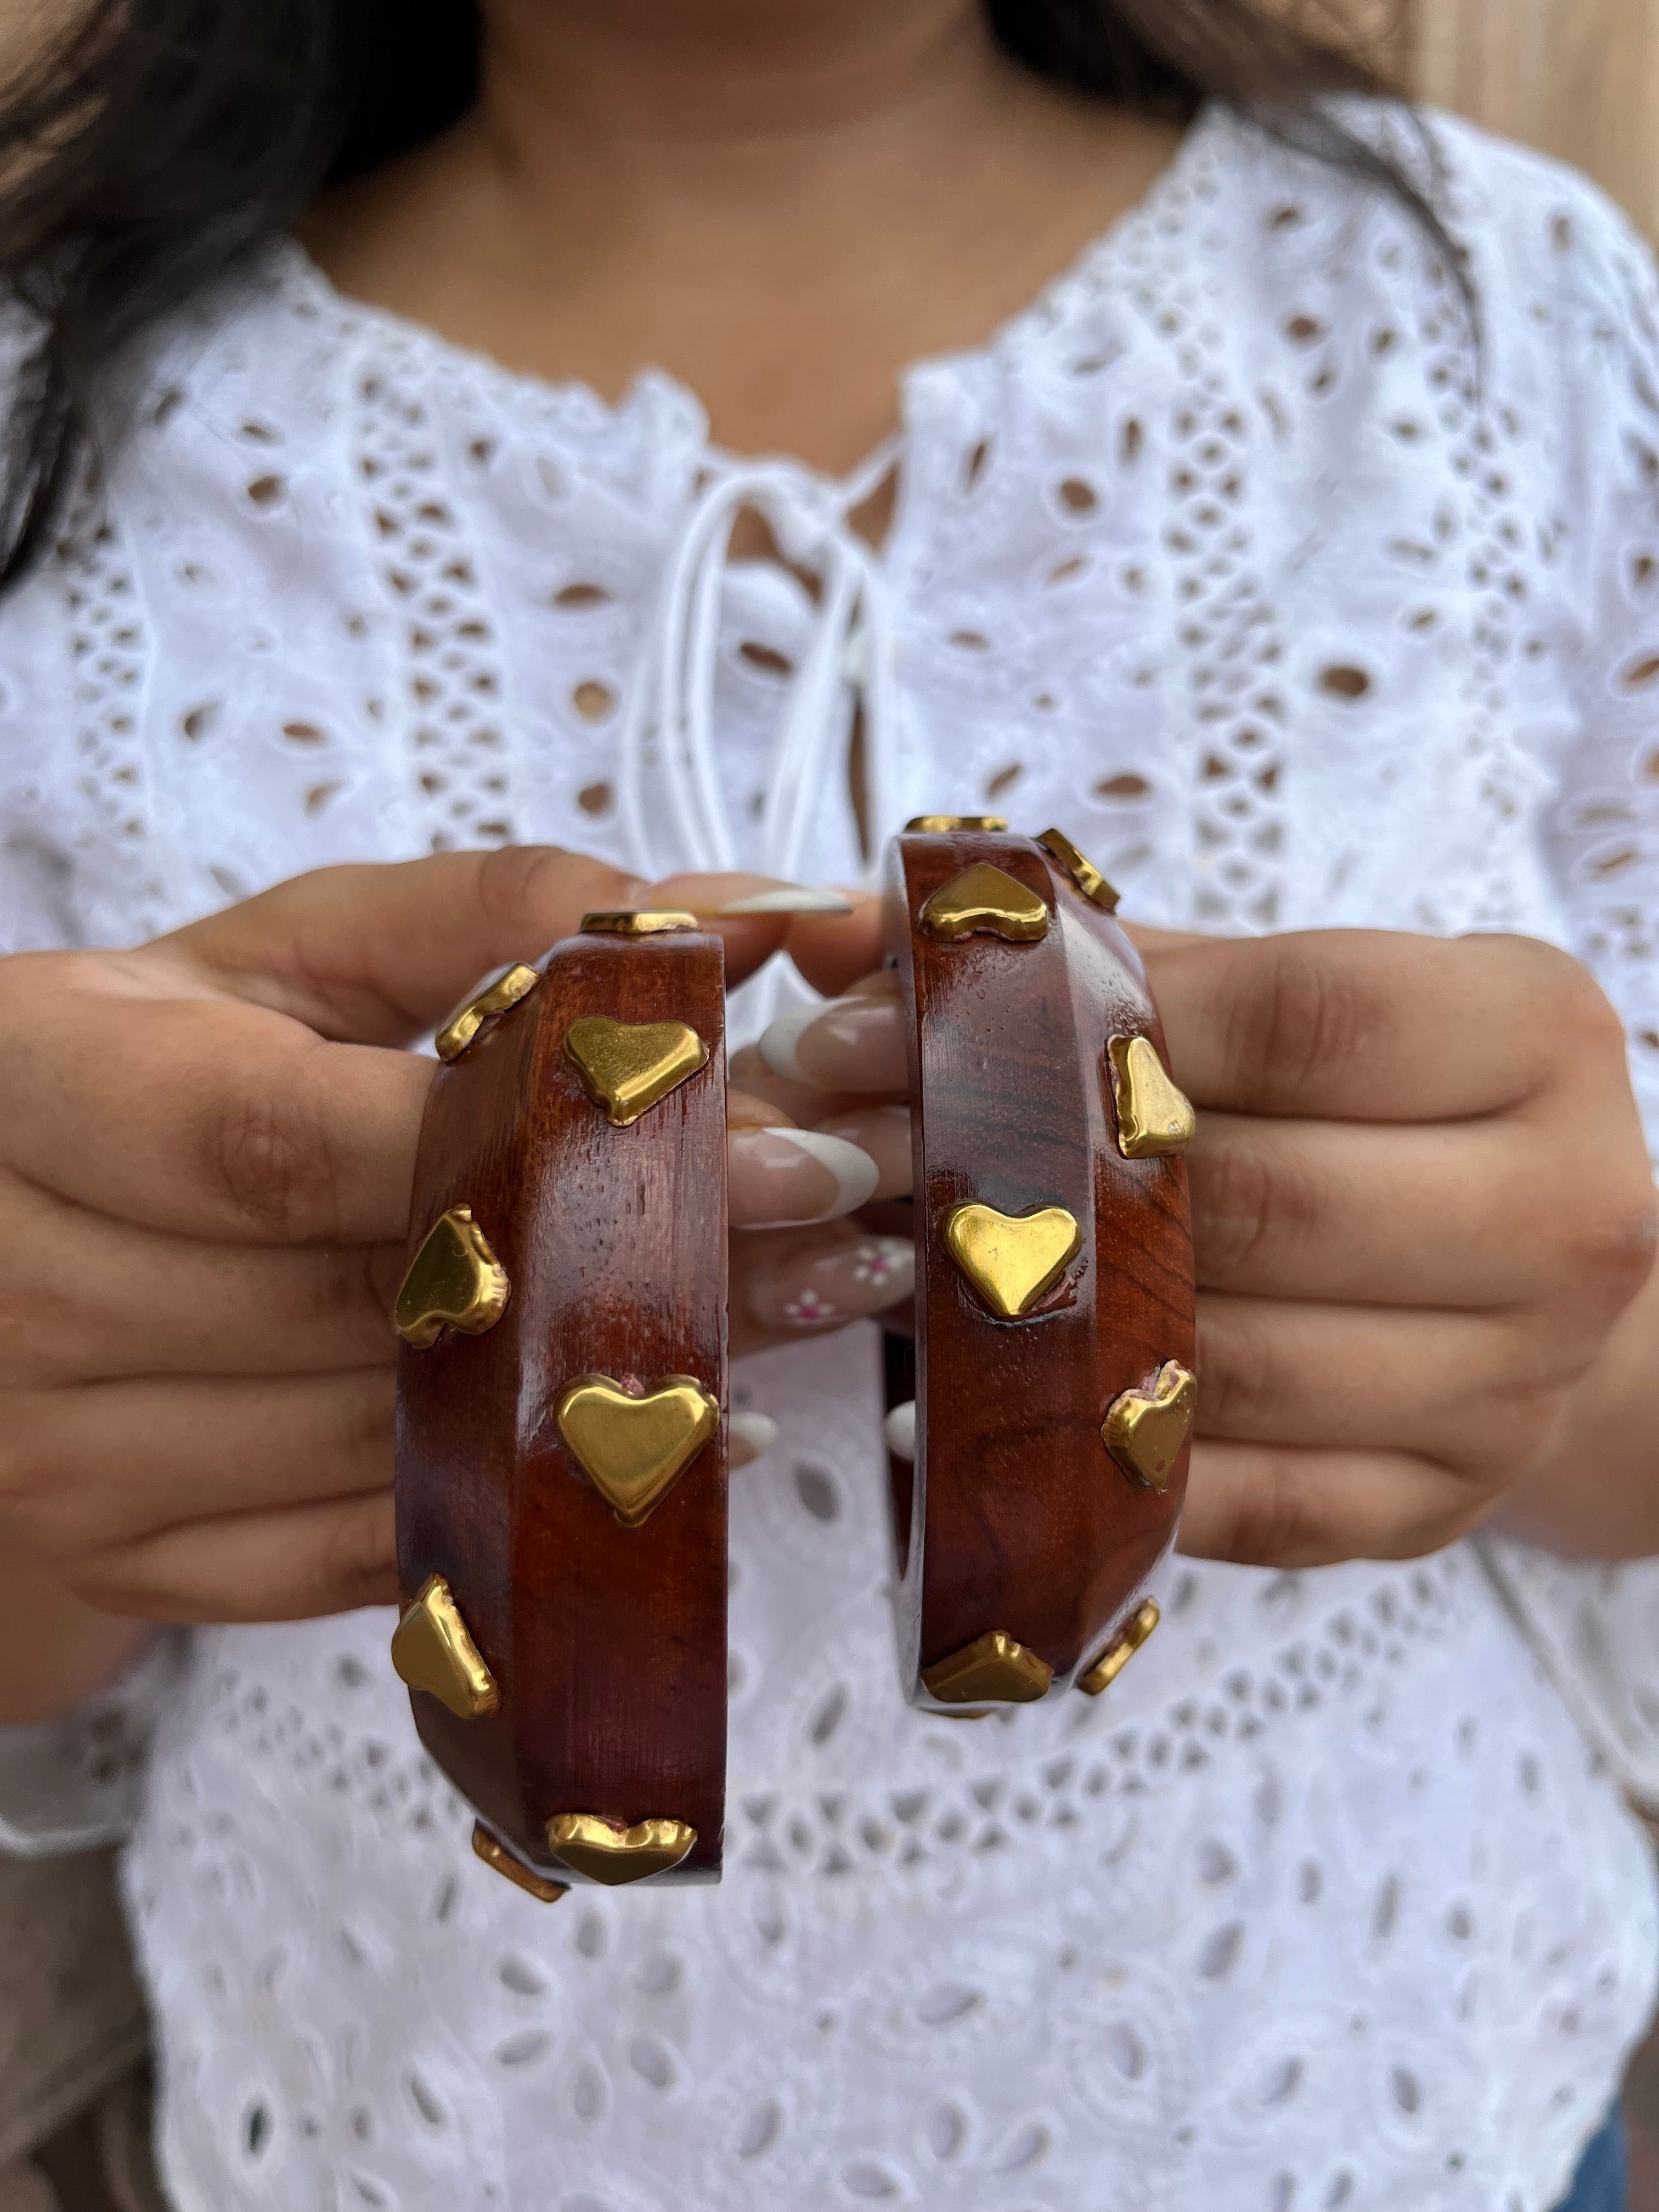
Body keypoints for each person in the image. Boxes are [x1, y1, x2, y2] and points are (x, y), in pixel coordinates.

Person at [0, 0, 1655, 2205]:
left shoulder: (1492, 315)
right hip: (427, 2123)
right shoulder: (60, 418)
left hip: (1383, 2081)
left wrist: (1553, 1345)